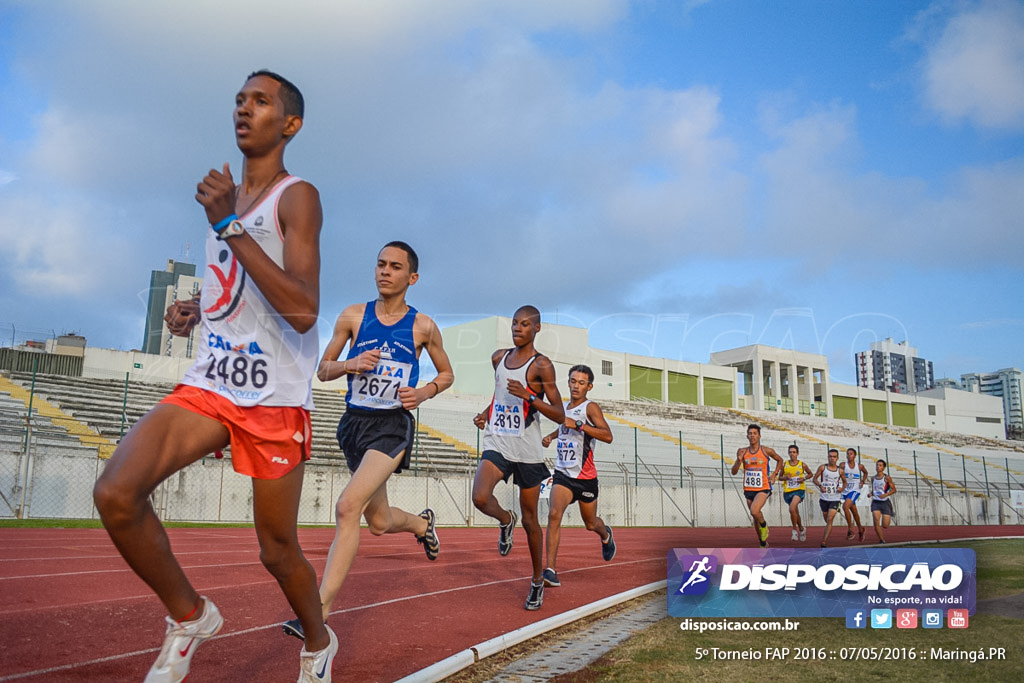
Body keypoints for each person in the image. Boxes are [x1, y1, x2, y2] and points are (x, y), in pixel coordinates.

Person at [93, 70, 338, 682]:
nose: (243, 109)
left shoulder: (296, 196)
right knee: (116, 494)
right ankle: (190, 615)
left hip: (275, 395)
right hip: (213, 381)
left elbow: (303, 310)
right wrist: (200, 308)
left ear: (290, 124)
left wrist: (230, 223)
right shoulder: (224, 202)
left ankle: (317, 643)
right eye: (239, 100)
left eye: (260, 101)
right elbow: (242, 289)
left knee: (277, 551)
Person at [283, 241, 454, 639]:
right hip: (354, 426)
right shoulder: (353, 316)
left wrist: (424, 392)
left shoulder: (422, 326)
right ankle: (422, 524)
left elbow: (446, 374)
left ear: (411, 278)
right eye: (380, 264)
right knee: (377, 522)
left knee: (348, 507)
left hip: (392, 426)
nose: (385, 271)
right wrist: (351, 363)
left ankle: (317, 613)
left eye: (395, 267)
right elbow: (323, 369)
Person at [472, 306, 564, 610]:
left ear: (537, 329)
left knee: (531, 520)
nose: (517, 328)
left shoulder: (542, 366)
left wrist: (530, 397)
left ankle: (537, 579)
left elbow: (560, 415)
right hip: (498, 440)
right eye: (514, 323)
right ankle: (504, 518)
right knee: (480, 497)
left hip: (527, 449)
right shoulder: (499, 357)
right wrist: (487, 412)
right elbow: (500, 393)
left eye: (525, 324)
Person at [540, 365, 616, 589]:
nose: (576, 386)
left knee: (590, 523)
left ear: (589, 386)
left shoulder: (590, 407)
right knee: (554, 514)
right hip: (563, 473)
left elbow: (608, 436)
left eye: (581, 383)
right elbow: (565, 427)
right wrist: (551, 436)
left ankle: (606, 535)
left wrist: (580, 425)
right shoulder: (562, 408)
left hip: (585, 477)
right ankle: (551, 570)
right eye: (573, 381)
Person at [731, 424, 783, 548]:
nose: (752, 435)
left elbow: (780, 460)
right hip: (749, 488)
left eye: (755, 433)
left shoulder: (766, 450)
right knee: (755, 516)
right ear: (747, 436)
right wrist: (739, 461)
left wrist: (774, 474)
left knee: (754, 510)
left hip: (763, 487)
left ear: (759, 436)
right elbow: (733, 471)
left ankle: (764, 526)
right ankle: (762, 543)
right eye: (750, 433)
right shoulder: (743, 451)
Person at [812, 449, 847, 548]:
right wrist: (820, 486)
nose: (832, 458)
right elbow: (814, 479)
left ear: (837, 458)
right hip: (824, 498)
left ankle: (824, 541)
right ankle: (829, 528)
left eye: (834, 457)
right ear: (828, 457)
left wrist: (842, 489)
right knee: (827, 519)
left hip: (835, 498)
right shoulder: (823, 468)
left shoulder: (840, 470)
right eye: (830, 456)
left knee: (830, 518)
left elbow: (845, 482)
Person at [781, 444, 813, 542]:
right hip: (788, 491)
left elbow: (810, 474)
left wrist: (803, 478)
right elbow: (780, 477)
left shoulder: (802, 464)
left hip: (799, 490)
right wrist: (786, 478)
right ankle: (802, 529)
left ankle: (794, 530)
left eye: (794, 452)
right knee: (795, 512)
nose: (792, 454)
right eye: (790, 452)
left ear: (797, 453)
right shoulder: (785, 464)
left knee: (791, 509)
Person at [842, 447, 869, 542]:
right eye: (848, 453)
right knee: (854, 511)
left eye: (851, 454)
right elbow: (838, 473)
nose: (849, 455)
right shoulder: (842, 465)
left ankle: (850, 529)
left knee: (845, 507)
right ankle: (861, 529)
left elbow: (866, 473)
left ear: (855, 456)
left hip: (855, 490)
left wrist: (862, 481)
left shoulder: (859, 466)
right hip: (846, 490)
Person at [870, 459, 897, 544]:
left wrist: (885, 495)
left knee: (885, 525)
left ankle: (890, 513)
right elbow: (874, 490)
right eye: (877, 465)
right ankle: (881, 540)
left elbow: (894, 490)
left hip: (885, 502)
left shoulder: (887, 478)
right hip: (875, 502)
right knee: (876, 521)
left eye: (880, 465)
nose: (878, 467)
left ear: (884, 468)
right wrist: (871, 494)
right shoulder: (873, 478)